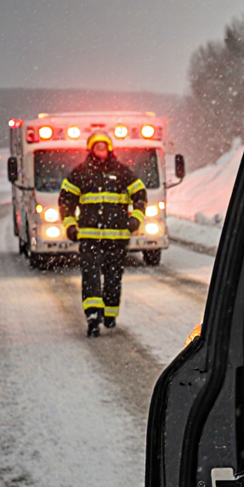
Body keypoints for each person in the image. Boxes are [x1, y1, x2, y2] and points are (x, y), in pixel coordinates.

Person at [59, 130, 147, 337]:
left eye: (104, 147)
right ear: (91, 150)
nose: (101, 151)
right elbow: (66, 201)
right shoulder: (79, 173)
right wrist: (70, 225)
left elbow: (140, 195)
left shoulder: (124, 173)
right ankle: (92, 317)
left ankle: (110, 314)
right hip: (89, 237)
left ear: (109, 149)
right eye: (97, 147)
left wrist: (135, 219)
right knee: (90, 277)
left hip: (117, 238)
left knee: (113, 278)